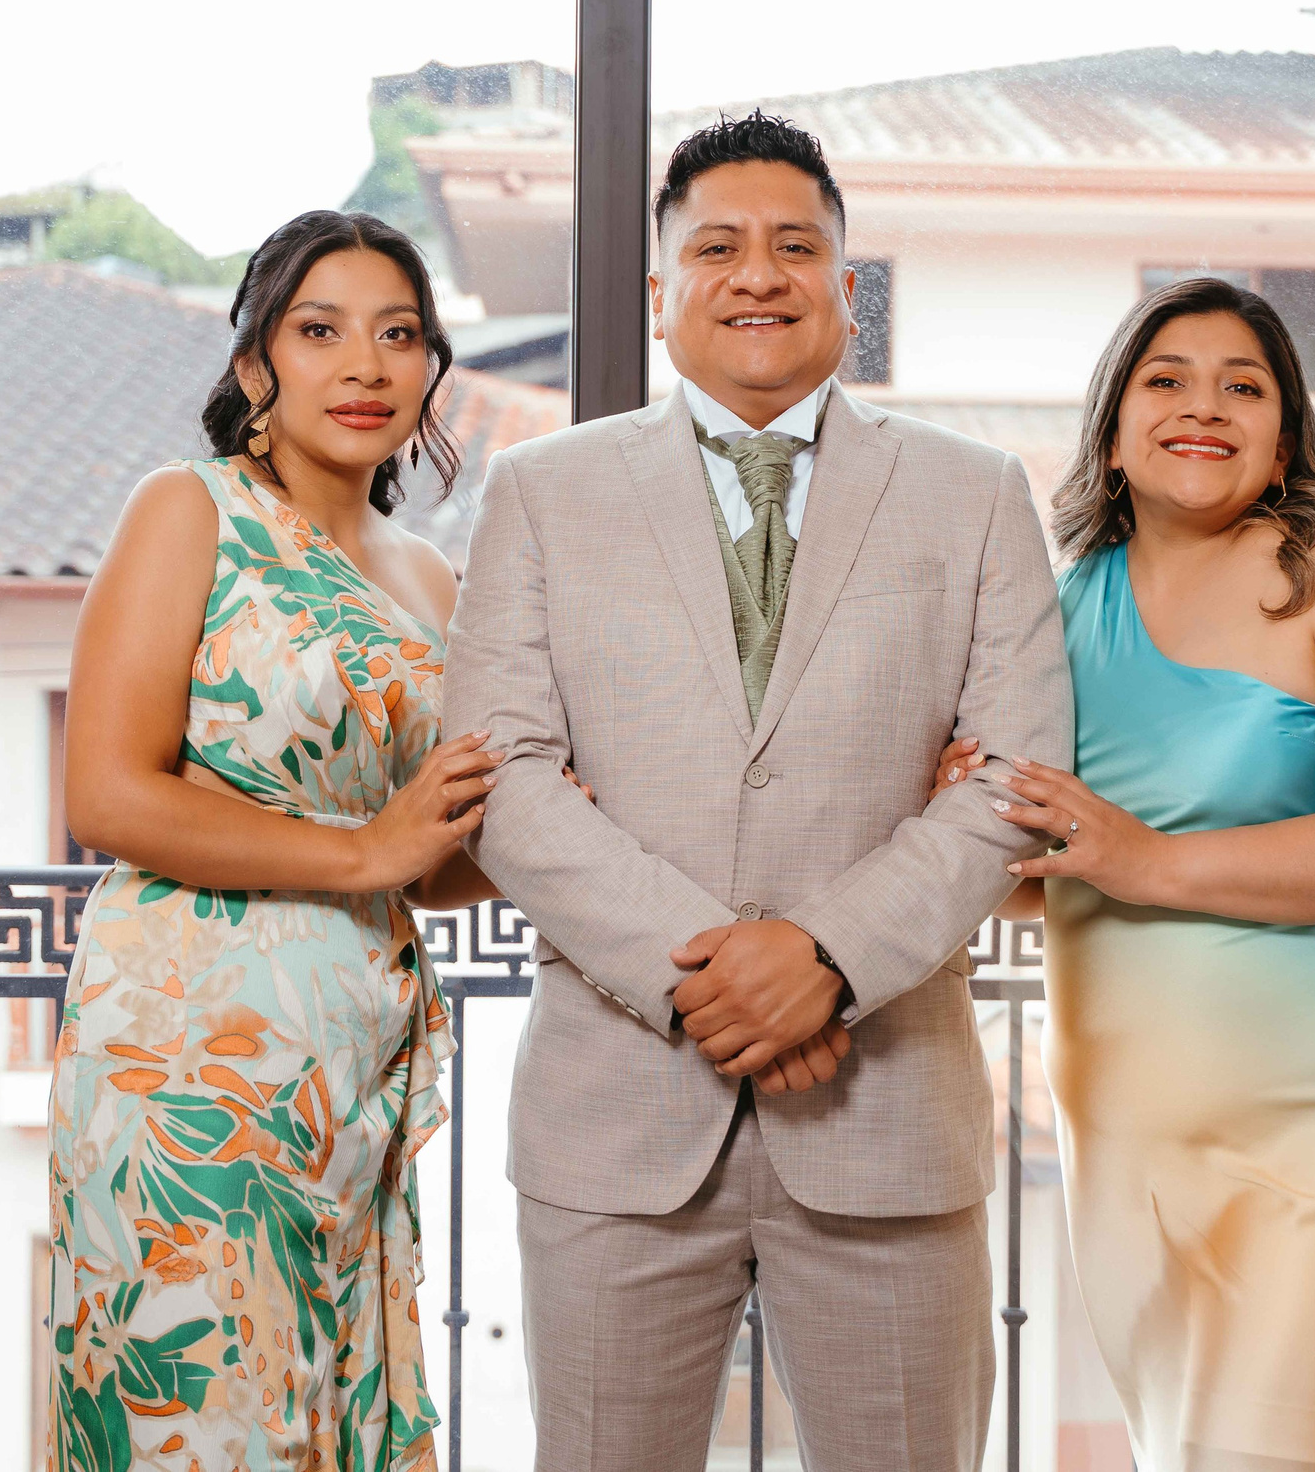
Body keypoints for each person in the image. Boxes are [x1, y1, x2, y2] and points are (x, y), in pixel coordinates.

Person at [442, 112, 1070, 1472]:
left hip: (887, 1108)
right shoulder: (540, 493)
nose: (759, 273)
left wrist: (827, 960)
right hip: (616, 1121)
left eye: (798, 245)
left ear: (849, 290)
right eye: (717, 246)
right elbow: (501, 779)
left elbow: (1016, 780)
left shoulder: (975, 495)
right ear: (663, 292)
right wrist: (712, 978)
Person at [940, 275, 1315, 1472]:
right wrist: (966, 816)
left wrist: (1148, 858)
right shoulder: (1052, 615)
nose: (1205, 407)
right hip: (1128, 1143)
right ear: (1114, 428)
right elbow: (1049, 875)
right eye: (1165, 380)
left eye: (1246, 386)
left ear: (1285, 435)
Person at [46, 210, 501, 1472]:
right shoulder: (189, 509)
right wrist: (365, 855)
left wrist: (560, 793)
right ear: (258, 365)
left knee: (326, 1406)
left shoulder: (428, 577)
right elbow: (109, 795)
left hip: (354, 1055)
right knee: (205, 1415)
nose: (365, 365)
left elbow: (445, 857)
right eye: (321, 331)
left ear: (428, 369)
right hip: (189, 1052)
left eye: (398, 335)